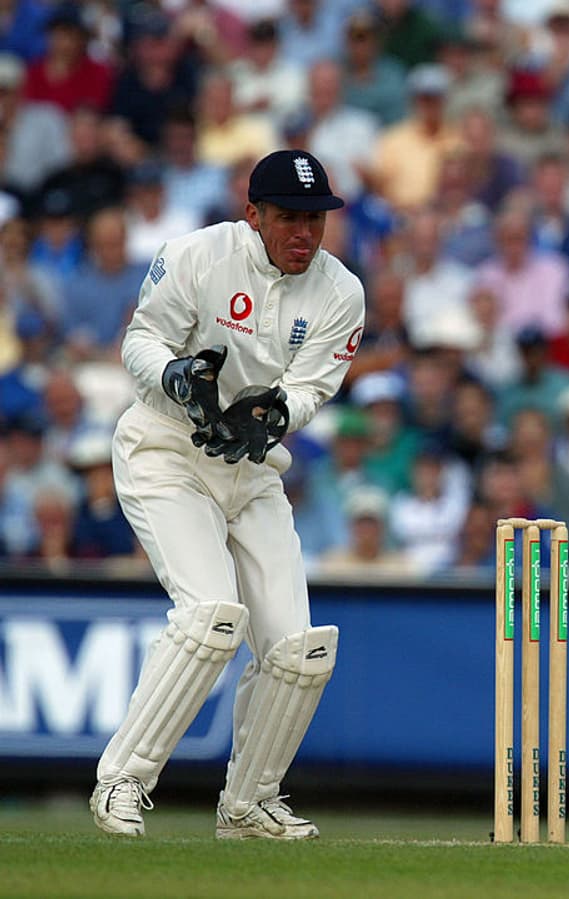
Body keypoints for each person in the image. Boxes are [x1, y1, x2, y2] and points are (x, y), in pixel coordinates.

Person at [90, 149, 365, 841]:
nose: (304, 233)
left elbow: (312, 386)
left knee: (301, 648)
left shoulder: (341, 292)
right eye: (289, 218)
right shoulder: (198, 255)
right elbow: (142, 341)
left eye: (316, 220)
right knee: (212, 614)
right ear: (254, 214)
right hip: (165, 450)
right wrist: (179, 375)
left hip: (251, 469)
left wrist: (274, 413)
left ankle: (248, 804)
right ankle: (121, 782)